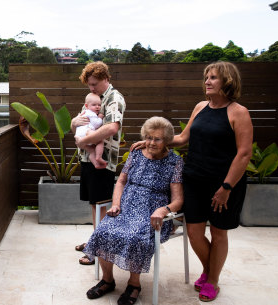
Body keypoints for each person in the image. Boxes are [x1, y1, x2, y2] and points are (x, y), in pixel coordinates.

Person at [131, 61, 253, 302]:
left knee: (218, 234)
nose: (207, 81)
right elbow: (182, 138)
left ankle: (213, 281)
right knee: (194, 232)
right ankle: (211, 271)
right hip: (194, 180)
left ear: (227, 81)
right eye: (206, 77)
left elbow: (244, 154)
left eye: (213, 77)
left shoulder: (239, 112)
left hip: (224, 184)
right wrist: (152, 141)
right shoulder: (200, 107)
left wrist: (226, 188)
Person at [83, 116, 184, 304]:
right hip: (126, 207)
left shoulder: (175, 162)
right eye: (149, 137)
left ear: (167, 140)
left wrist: (164, 210)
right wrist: (115, 204)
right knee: (103, 231)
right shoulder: (136, 154)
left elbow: (178, 199)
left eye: (157, 139)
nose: (152, 142)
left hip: (152, 214)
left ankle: (134, 285)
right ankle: (107, 280)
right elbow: (121, 181)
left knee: (137, 239)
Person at [71, 61, 126, 265]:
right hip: (87, 159)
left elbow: (112, 127)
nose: (91, 88)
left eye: (94, 84)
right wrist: (73, 123)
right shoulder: (94, 98)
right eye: (89, 85)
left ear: (106, 79)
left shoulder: (114, 98)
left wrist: (84, 140)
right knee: (94, 204)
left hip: (102, 163)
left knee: (102, 206)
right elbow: (78, 121)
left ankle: (98, 251)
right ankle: (95, 241)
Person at [74, 93, 106, 169]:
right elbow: (96, 124)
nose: (97, 107)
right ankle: (98, 157)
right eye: (94, 105)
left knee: (91, 150)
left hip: (79, 136)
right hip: (86, 132)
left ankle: (96, 164)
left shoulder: (83, 113)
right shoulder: (91, 113)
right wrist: (100, 117)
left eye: (99, 105)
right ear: (86, 106)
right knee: (100, 141)